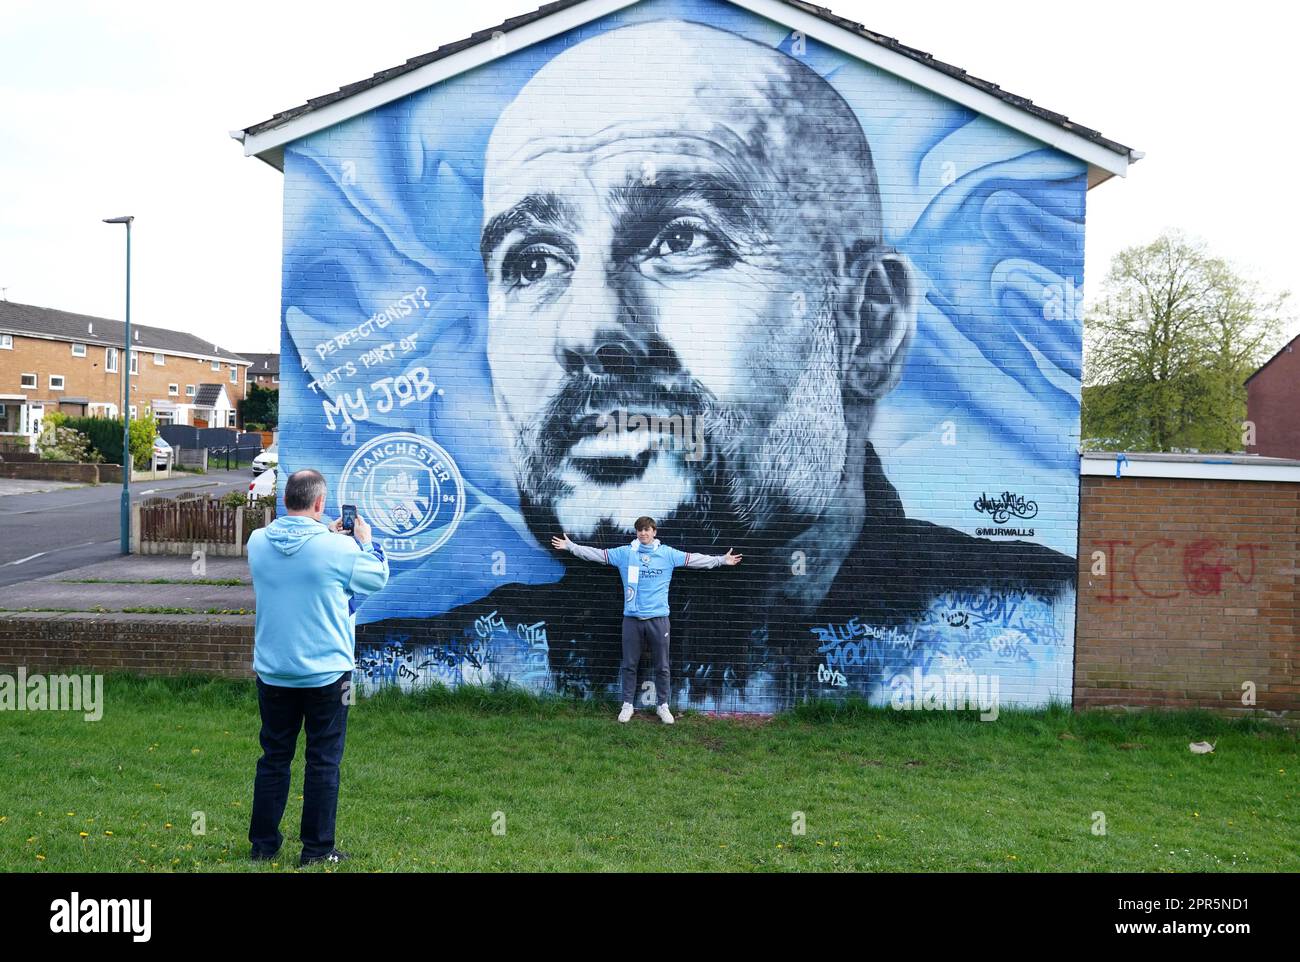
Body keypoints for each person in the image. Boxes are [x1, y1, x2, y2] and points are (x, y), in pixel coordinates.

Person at [359, 19, 1076, 710]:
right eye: (535, 261)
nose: (587, 327)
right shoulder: (419, 666)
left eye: (681, 239)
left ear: (869, 326)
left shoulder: (1032, 626)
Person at [246, 468, 389, 865]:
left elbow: (299, 557)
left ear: (286, 498)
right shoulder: (338, 550)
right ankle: (316, 850)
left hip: (274, 669)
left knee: (274, 756)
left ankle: (263, 845)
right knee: (323, 760)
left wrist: (324, 533)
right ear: (321, 503)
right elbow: (376, 578)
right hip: (327, 672)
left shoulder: (257, 542)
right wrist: (366, 543)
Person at [552, 516, 741, 723]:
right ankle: (627, 705)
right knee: (629, 665)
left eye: (647, 530)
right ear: (637, 533)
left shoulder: (667, 554)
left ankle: (663, 706)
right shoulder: (625, 553)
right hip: (632, 620)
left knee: (662, 665)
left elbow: (693, 559)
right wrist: (571, 547)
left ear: (654, 532)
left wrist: (721, 560)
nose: (643, 533)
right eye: (640, 530)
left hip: (659, 619)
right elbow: (597, 555)